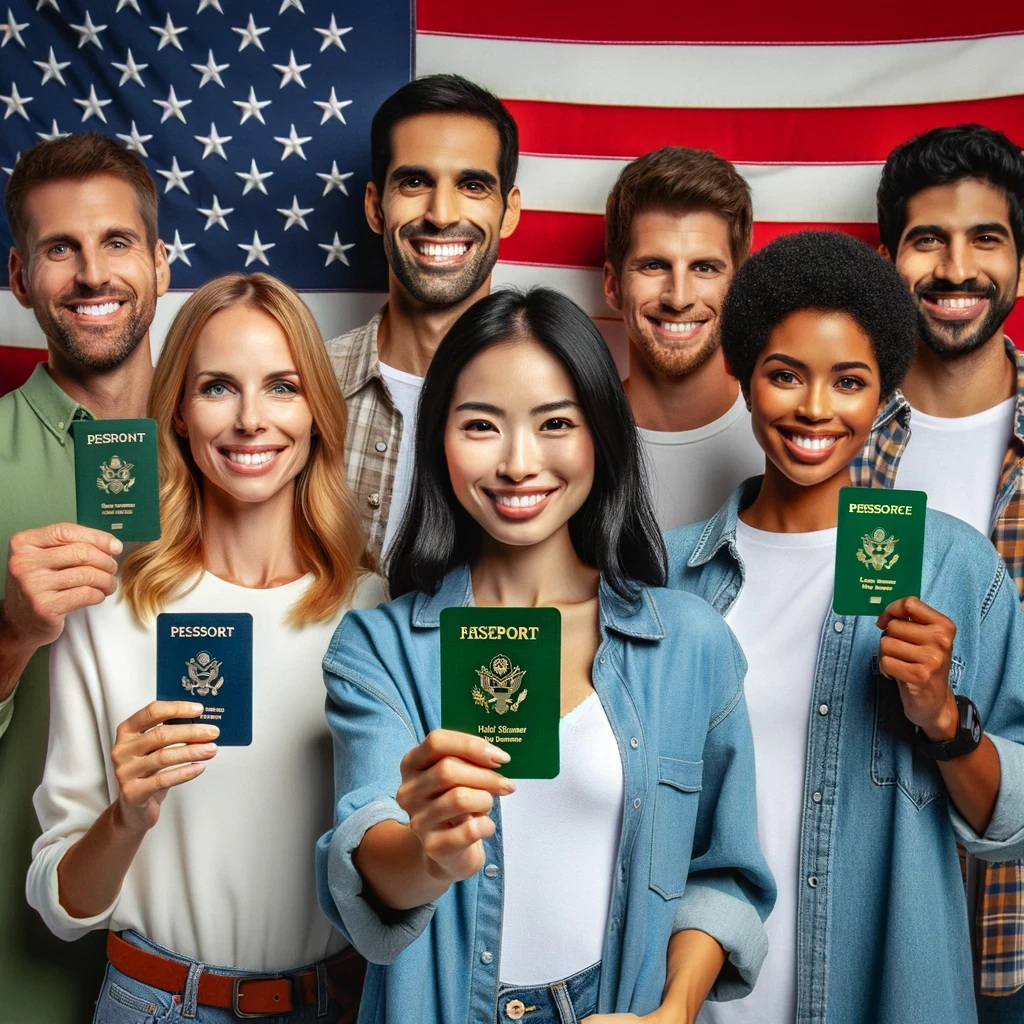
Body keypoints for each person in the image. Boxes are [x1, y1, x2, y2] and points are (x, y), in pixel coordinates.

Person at [316, 287, 775, 1024]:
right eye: (481, 425)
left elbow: (721, 873)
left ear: (602, 435)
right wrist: (427, 851)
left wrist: (675, 1010)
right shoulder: (379, 649)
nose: (519, 463)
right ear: (439, 440)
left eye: (556, 422)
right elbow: (367, 858)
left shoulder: (691, 643)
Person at [666, 230, 1024, 1024]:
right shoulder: (667, 576)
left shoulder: (951, 566)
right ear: (743, 377)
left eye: (849, 381)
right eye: (785, 375)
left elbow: (1013, 824)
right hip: (690, 999)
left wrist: (944, 719)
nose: (816, 408)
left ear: (883, 393)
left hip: (887, 994)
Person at [27, 273, 383, 1023]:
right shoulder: (109, 613)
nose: (251, 420)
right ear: (181, 415)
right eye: (218, 387)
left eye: (282, 387)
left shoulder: (376, 613)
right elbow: (63, 909)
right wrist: (126, 814)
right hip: (155, 1004)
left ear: (317, 412)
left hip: (338, 1005)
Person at [0, 132, 170, 1023]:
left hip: (210, 957)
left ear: (160, 263)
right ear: (20, 277)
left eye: (116, 242)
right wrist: (12, 635)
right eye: (60, 248)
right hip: (24, 966)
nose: (93, 273)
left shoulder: (246, 447)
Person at [861, 124, 1024, 1020]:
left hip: (1013, 923)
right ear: (890, 262)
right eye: (928, 240)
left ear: (1020, 268)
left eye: (985, 239)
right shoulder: (832, 443)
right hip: (861, 914)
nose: (956, 268)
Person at [325, 73, 521, 565]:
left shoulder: (561, 399)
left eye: (472, 185)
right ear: (375, 207)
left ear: (509, 212)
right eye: (415, 182)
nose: (441, 214)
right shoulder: (306, 386)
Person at [602, 147, 763, 530]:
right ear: (613, 286)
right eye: (654, 265)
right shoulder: (568, 441)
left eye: (704, 268)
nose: (678, 298)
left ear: (739, 285)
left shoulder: (784, 445)